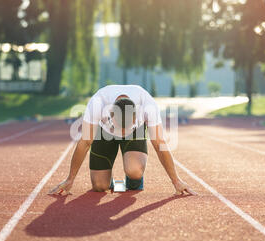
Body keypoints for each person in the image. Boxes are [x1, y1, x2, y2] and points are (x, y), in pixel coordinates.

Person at [48, 84, 197, 196]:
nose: (123, 133)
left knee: (134, 171)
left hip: (135, 133)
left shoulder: (147, 105)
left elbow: (160, 144)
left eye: (127, 127)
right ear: (111, 114)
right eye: (121, 128)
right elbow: (85, 143)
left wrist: (176, 181)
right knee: (100, 186)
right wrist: (70, 179)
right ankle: (109, 179)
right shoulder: (98, 103)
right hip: (104, 131)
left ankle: (134, 181)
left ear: (136, 115)